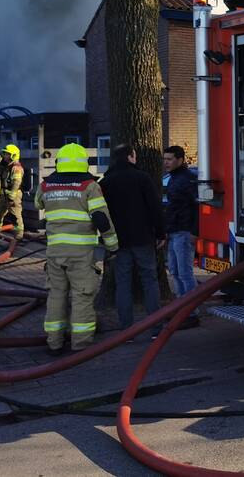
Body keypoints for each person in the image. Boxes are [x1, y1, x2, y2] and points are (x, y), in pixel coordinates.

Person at [36, 143, 118, 354]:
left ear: (59, 162)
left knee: (56, 295)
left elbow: (38, 205)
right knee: (82, 296)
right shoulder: (89, 186)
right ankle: (80, 345)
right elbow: (101, 217)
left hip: (55, 252)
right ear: (83, 162)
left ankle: (54, 342)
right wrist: (112, 245)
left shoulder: (46, 185)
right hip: (81, 254)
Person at [99, 145, 166, 341]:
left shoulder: (107, 182)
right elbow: (155, 207)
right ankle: (156, 329)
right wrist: (161, 233)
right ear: (130, 157)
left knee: (123, 284)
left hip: (118, 241)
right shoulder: (142, 178)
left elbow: (101, 213)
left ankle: (126, 330)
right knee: (150, 281)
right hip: (143, 238)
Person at [162, 146, 198, 300]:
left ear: (180, 160)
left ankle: (190, 310)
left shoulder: (187, 180)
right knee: (175, 272)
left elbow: (197, 207)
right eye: (164, 159)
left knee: (184, 274)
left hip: (183, 232)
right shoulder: (175, 178)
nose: (166, 163)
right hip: (174, 232)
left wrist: (195, 231)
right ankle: (181, 307)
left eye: (169, 159)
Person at [0, 144, 25, 255]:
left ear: (13, 155)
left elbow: (16, 183)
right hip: (4, 194)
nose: (5, 155)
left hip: (14, 195)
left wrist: (11, 196)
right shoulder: (6, 165)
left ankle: (19, 236)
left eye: (7, 154)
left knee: (16, 215)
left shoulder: (16, 168)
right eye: (5, 153)